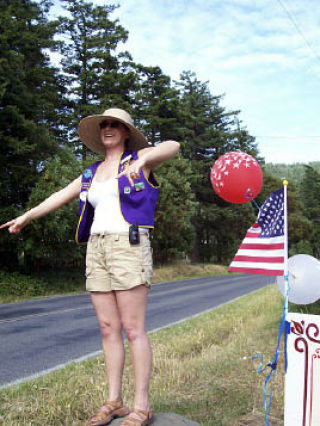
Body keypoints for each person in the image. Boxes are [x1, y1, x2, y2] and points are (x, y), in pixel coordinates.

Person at [0, 108, 180, 426]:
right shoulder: (91, 172)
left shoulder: (140, 158)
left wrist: (142, 161)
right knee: (108, 329)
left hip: (129, 245)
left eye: (115, 125)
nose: (108, 128)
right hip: (96, 249)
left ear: (126, 132)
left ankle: (142, 405)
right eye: (104, 125)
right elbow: (61, 195)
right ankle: (114, 401)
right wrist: (28, 215)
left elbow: (173, 146)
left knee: (133, 329)